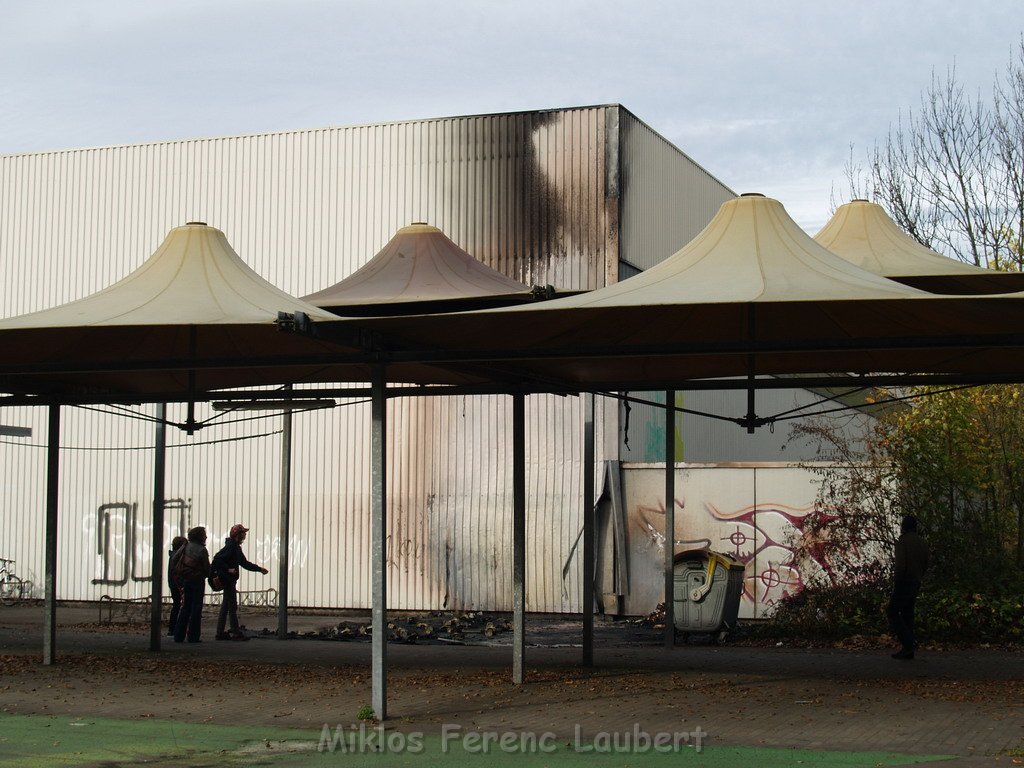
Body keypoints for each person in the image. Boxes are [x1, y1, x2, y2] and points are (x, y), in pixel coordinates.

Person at [211, 524, 269, 641]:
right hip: (228, 580)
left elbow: (244, 563)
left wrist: (259, 569)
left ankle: (220, 632)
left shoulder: (235, 547)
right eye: (243, 533)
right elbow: (217, 559)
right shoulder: (232, 547)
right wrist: (228, 569)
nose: (245, 535)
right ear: (238, 535)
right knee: (232, 607)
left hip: (229, 580)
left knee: (226, 606)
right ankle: (235, 632)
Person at [888, 515, 929, 660]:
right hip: (916, 581)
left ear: (903, 527)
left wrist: (897, 582)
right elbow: (926, 562)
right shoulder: (922, 542)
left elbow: (900, 566)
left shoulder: (903, 542)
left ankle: (909, 643)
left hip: (904, 581)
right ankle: (908, 649)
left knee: (892, 611)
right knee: (908, 613)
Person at [172, 527, 211, 644]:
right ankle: (193, 636)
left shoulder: (186, 546)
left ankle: (178, 635)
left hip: (186, 580)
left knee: (185, 607)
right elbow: (207, 568)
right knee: (196, 608)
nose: (206, 537)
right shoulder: (202, 550)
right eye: (204, 535)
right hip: (198, 580)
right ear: (200, 536)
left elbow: (174, 559)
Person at [166, 535, 188, 636]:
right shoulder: (177, 556)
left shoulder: (172, 555)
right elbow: (177, 572)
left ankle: (172, 628)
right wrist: (181, 584)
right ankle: (175, 628)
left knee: (176, 605)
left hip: (173, 583)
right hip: (177, 583)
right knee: (179, 606)